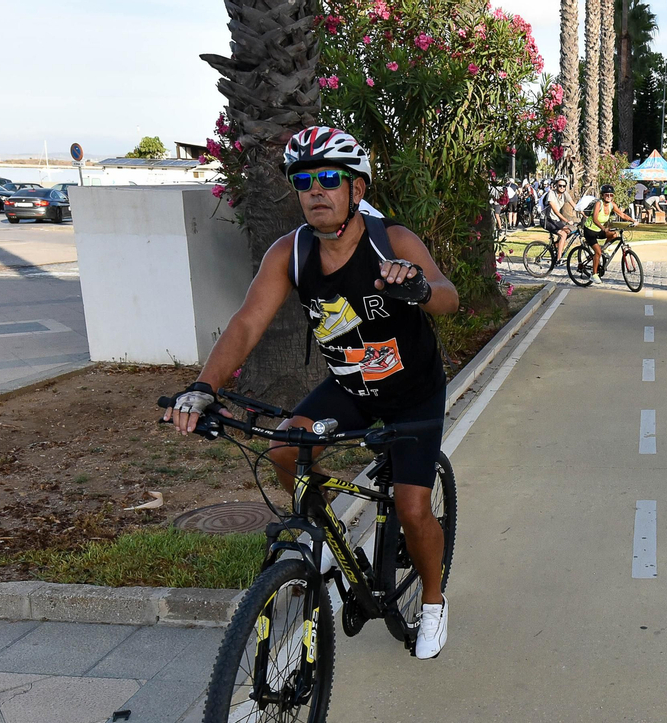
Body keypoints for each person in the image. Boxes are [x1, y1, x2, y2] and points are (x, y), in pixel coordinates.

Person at [164, 126, 460, 659]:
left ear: (356, 189)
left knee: (414, 508)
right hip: (351, 387)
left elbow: (448, 296)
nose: (316, 190)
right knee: (284, 450)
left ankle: (435, 603)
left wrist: (418, 288)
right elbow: (247, 323)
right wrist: (204, 386)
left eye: (328, 178)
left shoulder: (390, 241)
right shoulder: (291, 252)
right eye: (304, 181)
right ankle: (327, 537)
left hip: (413, 392)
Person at [583, 183, 631, 284]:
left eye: (611, 195)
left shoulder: (612, 205)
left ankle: (604, 249)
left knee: (614, 234)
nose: (609, 197)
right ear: (602, 195)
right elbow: (595, 219)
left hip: (599, 230)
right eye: (607, 195)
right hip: (590, 230)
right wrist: (603, 228)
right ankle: (594, 275)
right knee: (598, 252)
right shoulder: (598, 204)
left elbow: (622, 214)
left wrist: (633, 220)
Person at [542, 176, 576, 253]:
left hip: (555, 220)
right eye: (560, 185)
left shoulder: (565, 194)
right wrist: (567, 221)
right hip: (546, 220)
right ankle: (558, 258)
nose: (562, 187)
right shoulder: (551, 194)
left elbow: (574, 205)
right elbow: (556, 212)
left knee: (569, 231)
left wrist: (584, 214)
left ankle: (556, 246)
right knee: (563, 234)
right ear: (556, 185)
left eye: (564, 186)